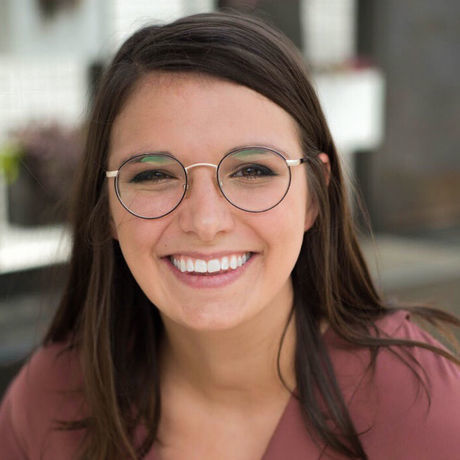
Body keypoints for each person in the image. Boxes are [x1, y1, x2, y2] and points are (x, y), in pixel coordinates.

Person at [1, 11, 459, 460]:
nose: (205, 222)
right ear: (105, 209)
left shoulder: (416, 401)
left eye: (253, 170)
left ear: (314, 196)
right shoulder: (51, 401)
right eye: (154, 175)